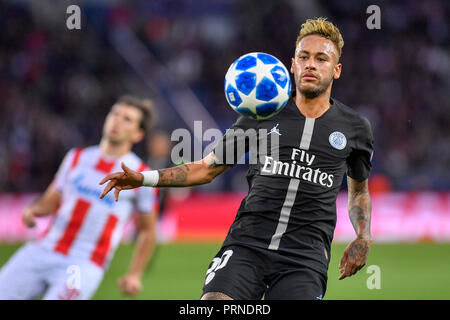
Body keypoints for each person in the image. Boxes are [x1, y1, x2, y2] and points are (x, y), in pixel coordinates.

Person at [99, 18, 374, 300]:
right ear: (292, 64)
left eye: (321, 58)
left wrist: (363, 236)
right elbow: (206, 169)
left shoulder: (354, 128)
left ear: (336, 69)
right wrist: (144, 178)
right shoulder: (260, 113)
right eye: (303, 57)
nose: (311, 65)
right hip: (248, 245)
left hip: (304, 257)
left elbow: (359, 193)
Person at [0, 95, 158, 300]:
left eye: (127, 119)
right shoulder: (76, 157)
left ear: (138, 134)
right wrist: (34, 210)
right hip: (44, 248)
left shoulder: (140, 176)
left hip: (83, 264)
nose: (117, 120)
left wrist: (135, 274)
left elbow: (147, 231)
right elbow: (51, 200)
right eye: (115, 113)